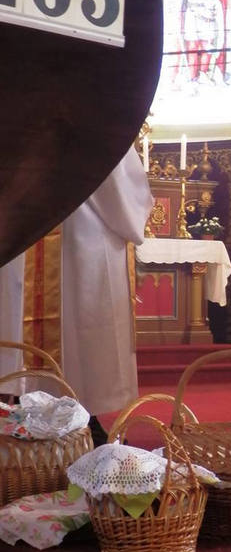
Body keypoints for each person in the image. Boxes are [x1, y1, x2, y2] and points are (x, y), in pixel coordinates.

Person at [0, 145, 153, 443]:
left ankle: (27, 411)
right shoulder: (98, 120)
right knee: (79, 342)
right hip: (80, 232)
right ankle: (82, 421)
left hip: (26, 227)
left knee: (31, 325)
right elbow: (121, 193)